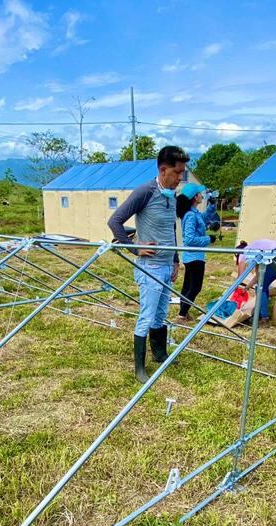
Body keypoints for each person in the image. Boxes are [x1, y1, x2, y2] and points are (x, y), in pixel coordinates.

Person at [107, 145, 190, 383]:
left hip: (165, 265)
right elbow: (115, 221)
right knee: (147, 315)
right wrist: (134, 248)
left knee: (162, 313)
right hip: (149, 266)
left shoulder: (171, 195)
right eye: (177, 173)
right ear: (163, 170)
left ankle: (160, 353)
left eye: (182, 173)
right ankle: (139, 368)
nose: (180, 178)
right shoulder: (145, 191)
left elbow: (170, 229)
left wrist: (175, 259)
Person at [175, 182, 215, 321]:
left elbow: (204, 219)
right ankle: (181, 315)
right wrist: (208, 239)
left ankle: (183, 313)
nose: (201, 195)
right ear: (194, 197)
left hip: (192, 257)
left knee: (187, 286)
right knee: (195, 287)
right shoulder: (190, 216)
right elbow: (190, 239)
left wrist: (212, 205)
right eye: (199, 194)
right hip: (194, 257)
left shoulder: (194, 213)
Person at [233, 239, 276, 325]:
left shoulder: (243, 252)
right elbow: (259, 275)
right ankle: (259, 315)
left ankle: (264, 317)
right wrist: (247, 288)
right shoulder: (256, 250)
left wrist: (234, 289)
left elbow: (240, 276)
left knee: (261, 287)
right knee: (262, 285)